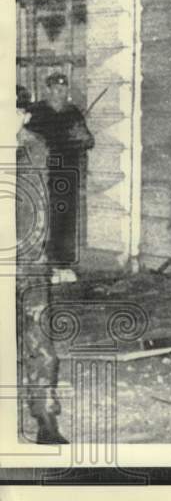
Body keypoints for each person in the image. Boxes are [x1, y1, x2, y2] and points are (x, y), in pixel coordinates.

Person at [15, 86, 69, 444]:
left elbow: (41, 210)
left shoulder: (34, 148)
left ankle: (46, 420)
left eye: (13, 112)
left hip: (28, 260)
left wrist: (43, 260)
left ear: (24, 115)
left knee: (40, 341)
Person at [26, 73, 94, 283]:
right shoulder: (37, 110)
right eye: (55, 89)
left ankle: (62, 263)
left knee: (66, 217)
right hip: (44, 170)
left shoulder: (72, 112)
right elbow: (22, 136)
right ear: (47, 89)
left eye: (63, 89)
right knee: (44, 214)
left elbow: (89, 140)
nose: (59, 93)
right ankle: (46, 260)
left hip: (68, 170)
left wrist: (82, 136)